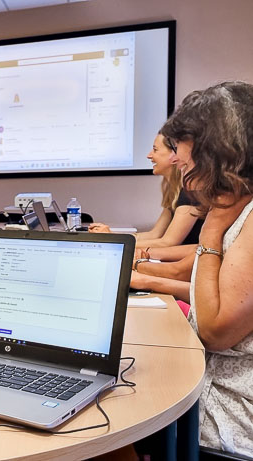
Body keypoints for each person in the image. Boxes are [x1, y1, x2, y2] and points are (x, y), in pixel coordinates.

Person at [159, 80, 253, 456]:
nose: (176, 157)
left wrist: (211, 230)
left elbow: (215, 331)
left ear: (212, 145)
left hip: (232, 413)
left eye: (182, 143)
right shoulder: (241, 207)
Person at [89, 134, 204, 248]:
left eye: (155, 150)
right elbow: (154, 234)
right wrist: (111, 236)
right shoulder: (174, 191)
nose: (149, 155)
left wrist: (114, 242)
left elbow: (167, 242)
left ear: (174, 154)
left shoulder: (191, 193)